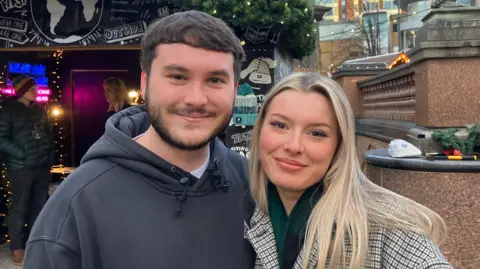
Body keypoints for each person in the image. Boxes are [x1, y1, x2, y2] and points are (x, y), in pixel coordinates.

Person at [23, 10, 255, 269]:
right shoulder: (76, 205)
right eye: (177, 77)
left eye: (215, 80)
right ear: (145, 83)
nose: (196, 99)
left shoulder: (252, 184)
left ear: (234, 91)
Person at [245, 72, 452, 269]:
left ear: (339, 145)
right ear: (260, 129)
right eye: (280, 125)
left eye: (316, 133)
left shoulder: (387, 226)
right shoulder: (245, 206)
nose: (293, 146)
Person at [0, 75, 54, 266]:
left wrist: (49, 157)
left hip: (41, 167)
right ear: (22, 91)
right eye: (32, 88)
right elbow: (2, 139)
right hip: (20, 168)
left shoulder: (40, 111)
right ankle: (17, 247)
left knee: (39, 207)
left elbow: (48, 134)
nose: (36, 91)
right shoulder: (8, 111)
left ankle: (35, 242)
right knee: (19, 207)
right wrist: (22, 154)